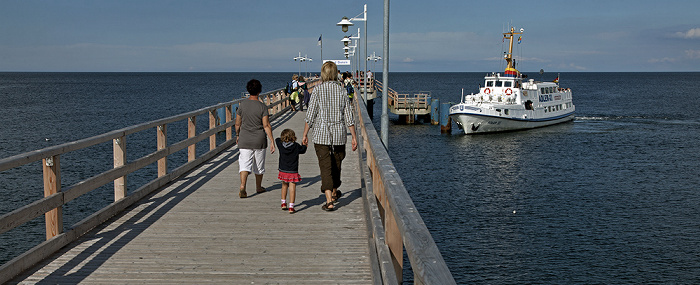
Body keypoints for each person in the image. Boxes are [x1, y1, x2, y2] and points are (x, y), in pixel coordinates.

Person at [303, 61, 358, 211]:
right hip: (339, 134)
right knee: (337, 163)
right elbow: (349, 117)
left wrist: (305, 134)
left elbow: (310, 115)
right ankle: (333, 192)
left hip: (321, 135)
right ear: (335, 74)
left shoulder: (318, 90)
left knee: (325, 166)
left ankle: (329, 200)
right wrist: (354, 137)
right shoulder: (342, 91)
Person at [235, 79, 275, 198]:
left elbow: (237, 124)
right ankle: (258, 187)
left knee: (244, 164)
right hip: (259, 139)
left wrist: (237, 135)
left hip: (245, 139)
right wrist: (272, 140)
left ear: (248, 90)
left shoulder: (242, 105)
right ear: (259, 91)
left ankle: (243, 186)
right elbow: (266, 125)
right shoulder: (262, 107)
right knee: (259, 165)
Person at [275, 129, 307, 214]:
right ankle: (291, 207)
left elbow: (277, 139)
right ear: (293, 137)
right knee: (292, 187)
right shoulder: (296, 146)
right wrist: (304, 145)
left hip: (283, 169)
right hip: (292, 170)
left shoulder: (280, 145)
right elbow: (303, 150)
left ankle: (283, 203)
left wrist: (282, 138)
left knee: (284, 185)